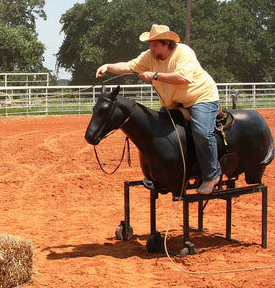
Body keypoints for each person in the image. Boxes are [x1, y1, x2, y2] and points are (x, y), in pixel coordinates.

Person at [95, 24, 221, 194]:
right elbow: (128, 66)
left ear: (167, 43)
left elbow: (182, 78)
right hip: (173, 103)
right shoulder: (150, 56)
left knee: (202, 134)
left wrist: (154, 75)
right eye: (150, 45)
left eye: (155, 45)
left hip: (200, 98)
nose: (151, 48)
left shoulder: (183, 52)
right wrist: (108, 67)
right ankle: (157, 174)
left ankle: (212, 175)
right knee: (156, 134)